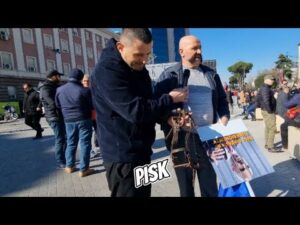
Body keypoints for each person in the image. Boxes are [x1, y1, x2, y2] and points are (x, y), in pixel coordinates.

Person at [90, 28, 187, 197]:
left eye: (147, 54)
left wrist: (167, 117)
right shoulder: (107, 71)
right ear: (121, 47)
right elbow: (135, 111)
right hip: (123, 157)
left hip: (143, 151)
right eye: (138, 55)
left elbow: (148, 101)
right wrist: (169, 99)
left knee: (144, 193)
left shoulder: (137, 67)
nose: (144, 60)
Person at [155, 35, 230, 197]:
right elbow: (157, 108)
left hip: (209, 139)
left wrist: (224, 118)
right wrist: (174, 119)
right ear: (181, 51)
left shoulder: (211, 74)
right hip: (182, 141)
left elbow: (223, 101)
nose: (199, 51)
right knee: (186, 189)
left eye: (200, 47)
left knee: (210, 186)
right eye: (194, 48)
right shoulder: (170, 76)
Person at [55, 68, 94, 177]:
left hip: (68, 120)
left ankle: (69, 166)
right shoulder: (85, 90)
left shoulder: (59, 90)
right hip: (84, 119)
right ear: (81, 78)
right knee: (85, 143)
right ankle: (84, 169)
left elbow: (57, 105)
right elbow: (92, 105)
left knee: (71, 142)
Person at [39, 70, 66, 169]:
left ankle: (65, 157)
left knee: (64, 138)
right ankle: (60, 161)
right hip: (53, 116)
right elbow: (52, 103)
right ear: (54, 77)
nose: (60, 78)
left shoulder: (54, 86)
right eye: (59, 76)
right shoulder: (45, 88)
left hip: (60, 115)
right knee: (60, 139)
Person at [257, 74, 278, 152]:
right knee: (272, 128)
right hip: (268, 111)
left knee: (268, 127)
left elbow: (260, 100)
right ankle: (271, 146)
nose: (273, 81)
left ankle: (267, 144)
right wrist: (270, 111)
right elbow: (266, 101)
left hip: (265, 110)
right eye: (271, 79)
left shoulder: (264, 87)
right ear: (266, 80)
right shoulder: (265, 88)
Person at [82, 74, 101, 158]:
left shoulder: (94, 90)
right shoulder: (81, 90)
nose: (86, 83)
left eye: (88, 81)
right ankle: (90, 151)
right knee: (87, 134)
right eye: (85, 81)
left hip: (95, 114)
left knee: (98, 131)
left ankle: (98, 147)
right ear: (82, 82)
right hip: (86, 116)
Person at [280, 79, 300, 151]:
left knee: (283, 125)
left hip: (298, 121)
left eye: (297, 84)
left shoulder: (298, 96)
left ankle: (285, 146)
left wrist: (285, 94)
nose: (296, 85)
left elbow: (287, 104)